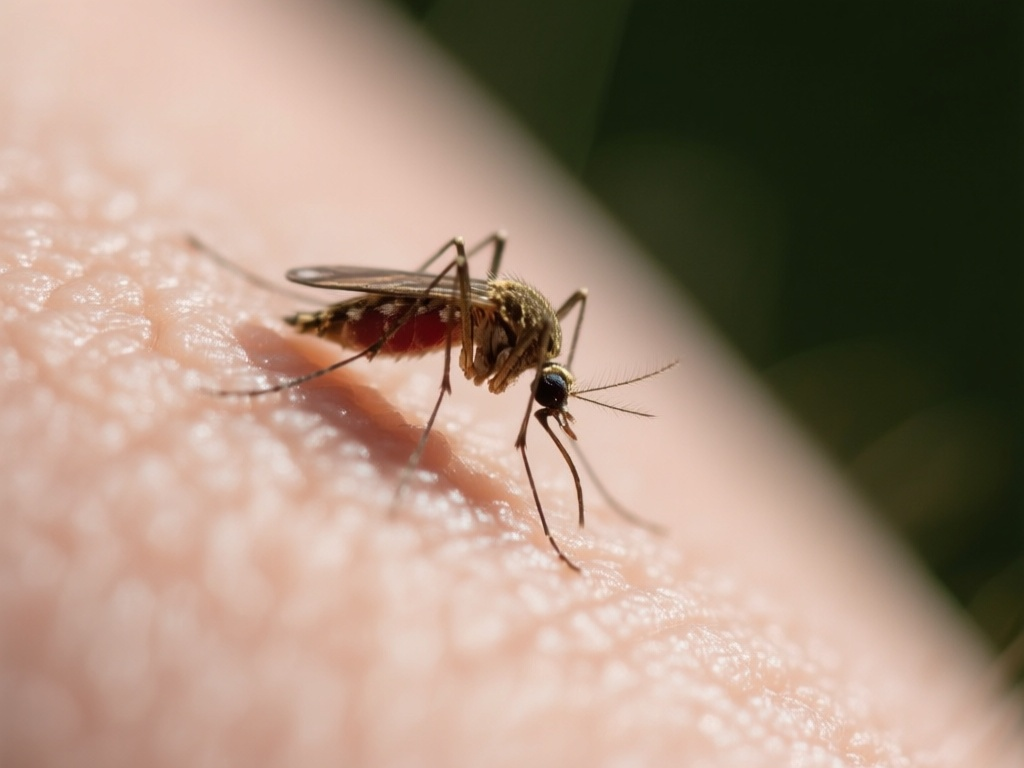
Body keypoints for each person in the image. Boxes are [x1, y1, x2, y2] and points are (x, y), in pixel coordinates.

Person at [2, 1, 1019, 765]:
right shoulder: (500, 335)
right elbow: (482, 334)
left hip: (450, 317)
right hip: (395, 317)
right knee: (459, 279)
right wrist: (417, 369)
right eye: (548, 396)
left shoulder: (543, 358)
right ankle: (299, 327)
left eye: (545, 396)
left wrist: (580, 475)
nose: (538, 408)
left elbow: (540, 403)